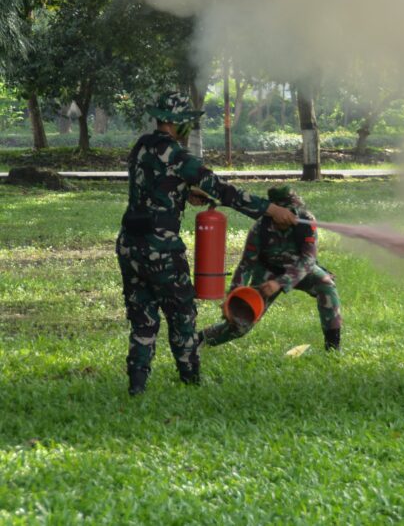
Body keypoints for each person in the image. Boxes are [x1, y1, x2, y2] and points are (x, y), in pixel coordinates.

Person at [116, 91, 296, 395]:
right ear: (178, 123)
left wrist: (184, 193)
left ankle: (136, 386)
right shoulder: (179, 156)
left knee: (142, 319)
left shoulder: (142, 146)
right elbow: (224, 192)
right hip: (160, 249)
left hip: (129, 245)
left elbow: (150, 183)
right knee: (182, 315)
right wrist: (271, 209)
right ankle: (191, 382)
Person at [200, 186, 343, 352]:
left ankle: (333, 348)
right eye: (288, 211)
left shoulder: (306, 222)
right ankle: (198, 340)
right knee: (241, 321)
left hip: (299, 270)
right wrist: (233, 295)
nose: (293, 215)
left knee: (326, 285)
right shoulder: (260, 228)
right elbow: (246, 265)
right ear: (276, 211)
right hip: (268, 272)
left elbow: (308, 261)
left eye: (294, 210)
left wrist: (280, 282)